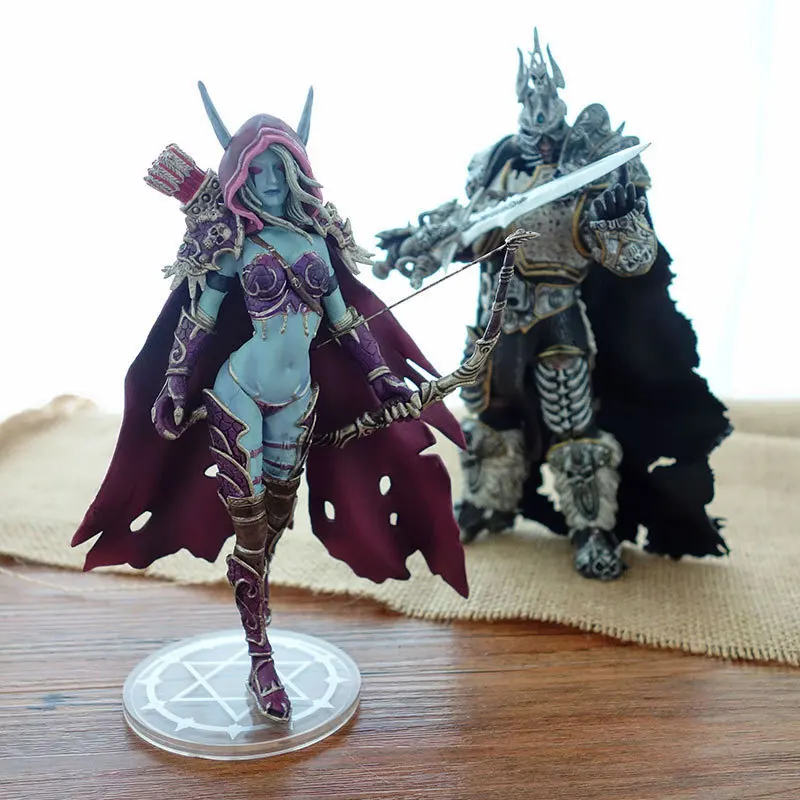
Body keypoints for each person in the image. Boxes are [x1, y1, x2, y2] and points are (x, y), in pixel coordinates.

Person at [73, 83, 470, 722]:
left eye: (278, 169)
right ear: (240, 176)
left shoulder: (318, 243)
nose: (269, 181)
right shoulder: (234, 243)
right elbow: (200, 319)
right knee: (252, 530)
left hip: (298, 400)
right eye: (255, 171)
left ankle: (252, 598)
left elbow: (345, 320)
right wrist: (174, 386)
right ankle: (261, 659)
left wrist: (380, 377)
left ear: (296, 170)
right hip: (241, 392)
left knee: (272, 527)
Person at [373, 29, 732, 582]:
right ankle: (489, 502)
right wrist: (414, 244)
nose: (539, 110)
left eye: (548, 99)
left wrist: (618, 218)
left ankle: (591, 527)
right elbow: (466, 224)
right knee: (491, 416)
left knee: (572, 425)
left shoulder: (589, 169)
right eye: (531, 99)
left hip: (556, 315)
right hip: (494, 320)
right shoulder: (495, 162)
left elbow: (634, 258)